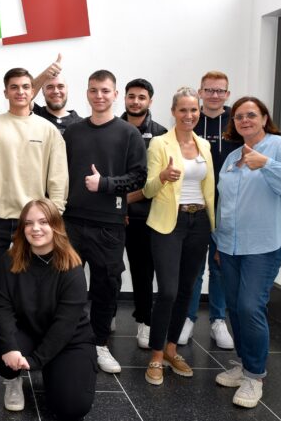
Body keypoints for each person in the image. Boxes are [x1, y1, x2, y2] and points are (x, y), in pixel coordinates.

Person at [213, 96, 281, 408]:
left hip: (265, 244)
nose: (245, 120)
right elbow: (225, 203)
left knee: (250, 305)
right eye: (239, 116)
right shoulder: (233, 157)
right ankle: (243, 364)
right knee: (234, 306)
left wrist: (267, 164)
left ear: (265, 118)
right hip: (230, 245)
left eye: (251, 115)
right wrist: (219, 242)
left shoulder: (280, 148)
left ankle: (255, 377)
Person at [62, 70, 147, 374]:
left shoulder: (128, 133)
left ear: (115, 95)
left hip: (109, 224)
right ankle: (67, 342)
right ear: (87, 93)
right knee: (67, 286)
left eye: (105, 91)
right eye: (94, 90)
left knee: (106, 286)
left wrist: (106, 184)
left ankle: (99, 344)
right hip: (71, 221)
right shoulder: (72, 132)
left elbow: (139, 177)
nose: (99, 96)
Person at [0, 199, 97, 420]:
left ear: (56, 225)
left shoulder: (72, 267)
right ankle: (14, 378)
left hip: (69, 341)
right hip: (27, 332)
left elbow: (64, 326)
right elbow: (1, 307)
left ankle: (53, 369)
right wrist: (10, 347)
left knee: (72, 408)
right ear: (22, 228)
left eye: (43, 222)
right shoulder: (9, 261)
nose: (35, 228)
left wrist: (36, 361)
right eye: (28, 223)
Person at [0, 67, 68, 283]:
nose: (20, 92)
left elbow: (58, 178)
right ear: (5, 93)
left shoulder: (48, 130)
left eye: (25, 87)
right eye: (14, 87)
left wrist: (53, 215)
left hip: (33, 220)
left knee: (32, 281)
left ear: (32, 91)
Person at [142, 87, 214, 386]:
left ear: (199, 112)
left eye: (193, 109)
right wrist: (162, 177)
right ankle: (156, 354)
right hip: (168, 224)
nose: (189, 115)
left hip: (200, 222)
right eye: (183, 109)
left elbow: (209, 189)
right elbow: (147, 190)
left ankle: (172, 350)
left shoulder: (204, 145)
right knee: (168, 291)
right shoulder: (159, 143)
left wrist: (213, 225)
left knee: (187, 289)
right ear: (173, 112)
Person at [179, 70, 239, 349]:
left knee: (220, 266)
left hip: (227, 207)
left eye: (220, 91)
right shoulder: (190, 119)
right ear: (200, 92)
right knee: (192, 267)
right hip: (195, 205)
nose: (215, 95)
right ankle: (188, 318)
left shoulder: (236, 122)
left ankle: (218, 320)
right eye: (209, 90)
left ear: (227, 94)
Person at [121, 78, 167, 349]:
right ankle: (107, 315)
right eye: (131, 96)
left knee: (142, 272)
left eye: (141, 97)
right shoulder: (112, 127)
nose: (136, 101)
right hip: (113, 212)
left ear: (150, 101)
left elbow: (159, 179)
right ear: (124, 98)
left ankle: (144, 321)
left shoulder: (161, 134)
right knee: (109, 269)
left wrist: (130, 203)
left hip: (144, 214)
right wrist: (118, 205)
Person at [30, 54, 82, 133]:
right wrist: (44, 75)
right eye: (50, 87)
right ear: (43, 91)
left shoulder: (81, 124)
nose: (56, 91)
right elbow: (25, 95)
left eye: (60, 86)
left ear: (67, 89)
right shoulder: (34, 114)